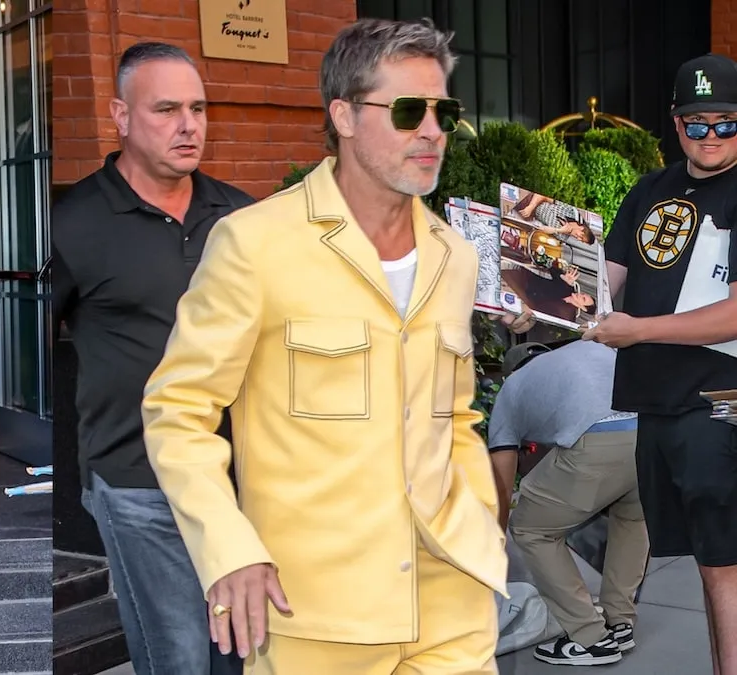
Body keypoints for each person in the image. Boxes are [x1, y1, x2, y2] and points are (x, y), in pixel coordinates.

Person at [141, 19, 507, 673]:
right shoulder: (254, 243)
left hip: (453, 601)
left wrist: (482, 523)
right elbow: (178, 410)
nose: (432, 131)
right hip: (313, 613)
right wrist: (229, 547)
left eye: (443, 110)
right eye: (406, 110)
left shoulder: (453, 254)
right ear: (342, 114)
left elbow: (453, 417)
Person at [51, 42, 252, 675]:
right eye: (166, 109)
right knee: (180, 658)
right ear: (121, 115)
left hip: (241, 479)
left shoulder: (245, 217)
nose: (189, 124)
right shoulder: (72, 221)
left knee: (242, 656)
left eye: (198, 107)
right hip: (138, 480)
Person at [579, 52, 737, 675]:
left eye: (726, 122)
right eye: (696, 124)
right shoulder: (649, 190)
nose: (711, 137)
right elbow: (601, 288)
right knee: (710, 561)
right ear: (675, 124)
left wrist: (637, 330)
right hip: (657, 405)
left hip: (721, 405)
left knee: (725, 564)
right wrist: (534, 303)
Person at [487, 340, 647, 666]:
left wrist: (493, 549)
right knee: (633, 520)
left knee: (531, 528)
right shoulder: (590, 350)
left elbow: (502, 488)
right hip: (651, 434)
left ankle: (590, 637)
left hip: (597, 439)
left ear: (510, 372)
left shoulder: (512, 388)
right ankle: (620, 623)